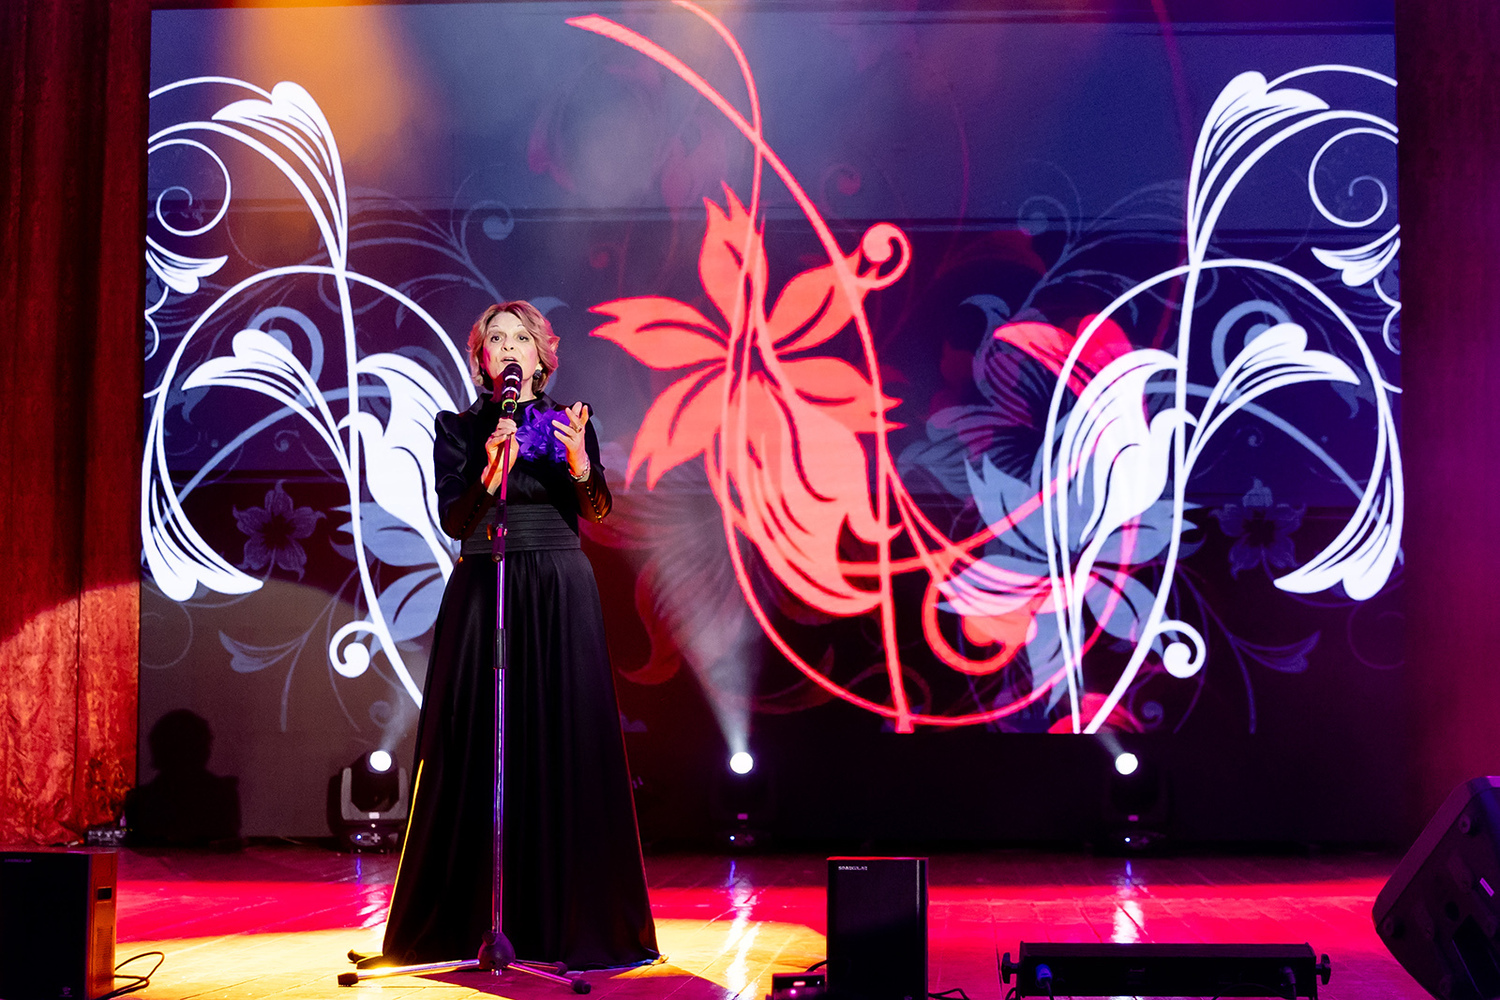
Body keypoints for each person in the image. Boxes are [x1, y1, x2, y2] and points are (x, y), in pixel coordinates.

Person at [380, 300, 659, 969]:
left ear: (541, 356)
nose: (509, 348)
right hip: (486, 585)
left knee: (564, 737)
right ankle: (471, 923)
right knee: (477, 741)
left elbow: (596, 510)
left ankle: (570, 922)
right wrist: (488, 472)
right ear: (481, 359)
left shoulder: (570, 422)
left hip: (559, 588)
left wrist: (580, 464)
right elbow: (455, 520)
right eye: (496, 339)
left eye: (522, 338)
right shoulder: (457, 428)